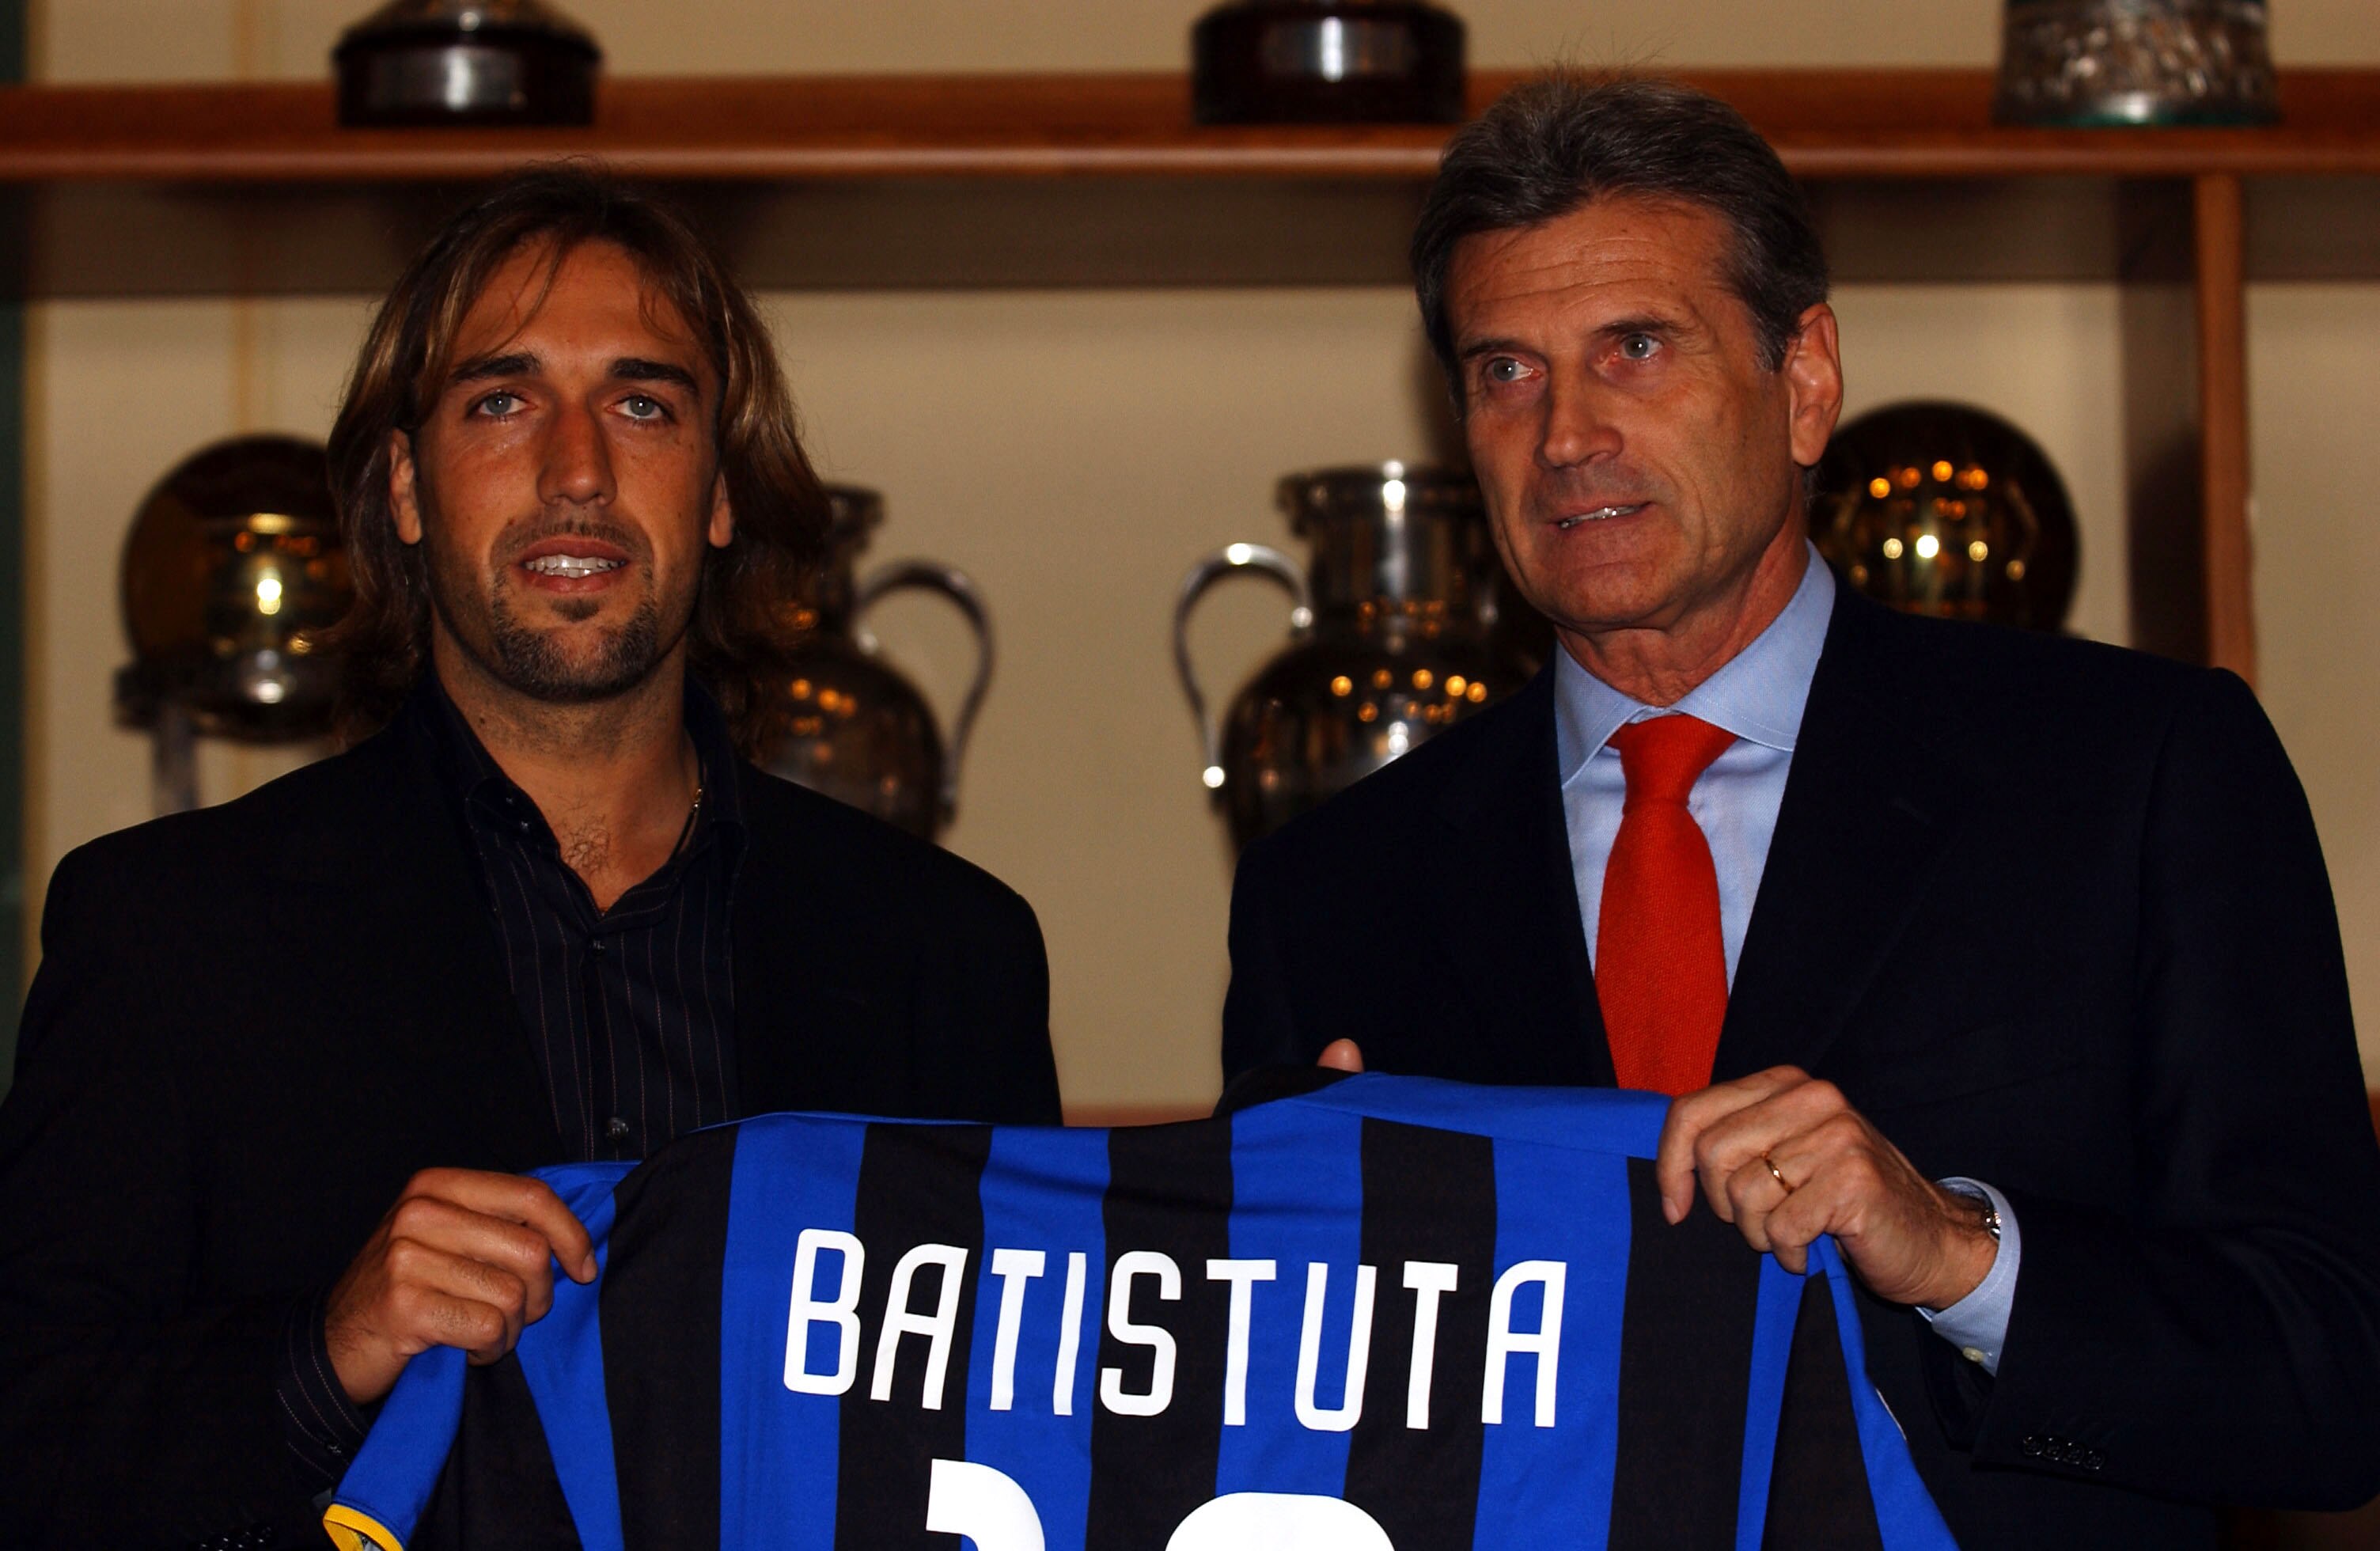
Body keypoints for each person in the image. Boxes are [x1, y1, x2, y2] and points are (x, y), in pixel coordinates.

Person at [1221, 75, 2380, 1546]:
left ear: (1808, 380)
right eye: (1506, 372)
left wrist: (1960, 1254)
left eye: (1637, 348)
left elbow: (2330, 1376)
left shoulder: (2136, 773)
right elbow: (1267, 1450)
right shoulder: (1332, 890)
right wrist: (1319, 1277)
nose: (1565, 434)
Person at [0, 167, 1060, 1549]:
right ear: (406, 489)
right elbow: (29, 1450)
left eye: (643, 405)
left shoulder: (950, 953)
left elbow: (1047, 1445)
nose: (578, 472)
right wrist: (326, 1353)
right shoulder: (168, 932)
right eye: (502, 402)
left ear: (721, 492)